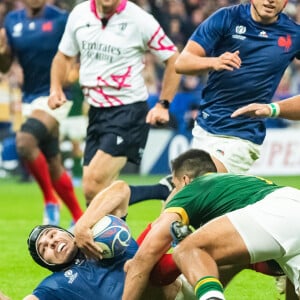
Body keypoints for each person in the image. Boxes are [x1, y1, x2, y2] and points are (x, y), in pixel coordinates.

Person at [48, 0, 181, 205]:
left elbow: (173, 59)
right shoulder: (79, 14)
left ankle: (159, 190)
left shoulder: (140, 19)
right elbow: (64, 56)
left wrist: (163, 104)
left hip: (128, 111)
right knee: (93, 195)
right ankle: (124, 230)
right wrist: (55, 88)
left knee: (94, 183)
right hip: (96, 111)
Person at [121, 149, 300, 300]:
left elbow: (145, 257)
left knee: (186, 249)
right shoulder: (242, 184)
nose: (174, 193)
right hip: (290, 207)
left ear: (185, 180)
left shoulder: (192, 189)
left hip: (278, 211)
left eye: (174, 186)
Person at [174, 0, 300, 174]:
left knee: (200, 178)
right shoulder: (226, 18)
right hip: (205, 126)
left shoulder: (294, 35)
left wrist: (272, 109)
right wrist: (214, 62)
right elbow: (182, 63)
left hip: (242, 136)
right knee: (187, 191)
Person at [0, 0, 84, 225]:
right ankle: (79, 217)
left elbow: (77, 53)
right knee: (53, 160)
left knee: (25, 142)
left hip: (57, 94)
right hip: (28, 97)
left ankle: (50, 201)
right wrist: (2, 51)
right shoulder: (12, 21)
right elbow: (5, 67)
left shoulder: (61, 19)